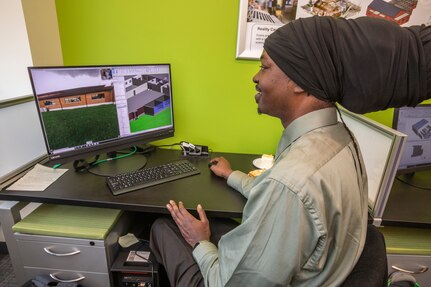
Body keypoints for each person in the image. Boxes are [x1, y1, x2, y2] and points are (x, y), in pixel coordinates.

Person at [150, 16, 431, 287]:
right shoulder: (340, 137)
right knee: (219, 224)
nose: (255, 77)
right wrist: (233, 175)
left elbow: (227, 282)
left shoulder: (289, 184)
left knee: (161, 227)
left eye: (265, 67)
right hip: (326, 269)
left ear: (300, 82)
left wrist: (201, 243)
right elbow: (289, 200)